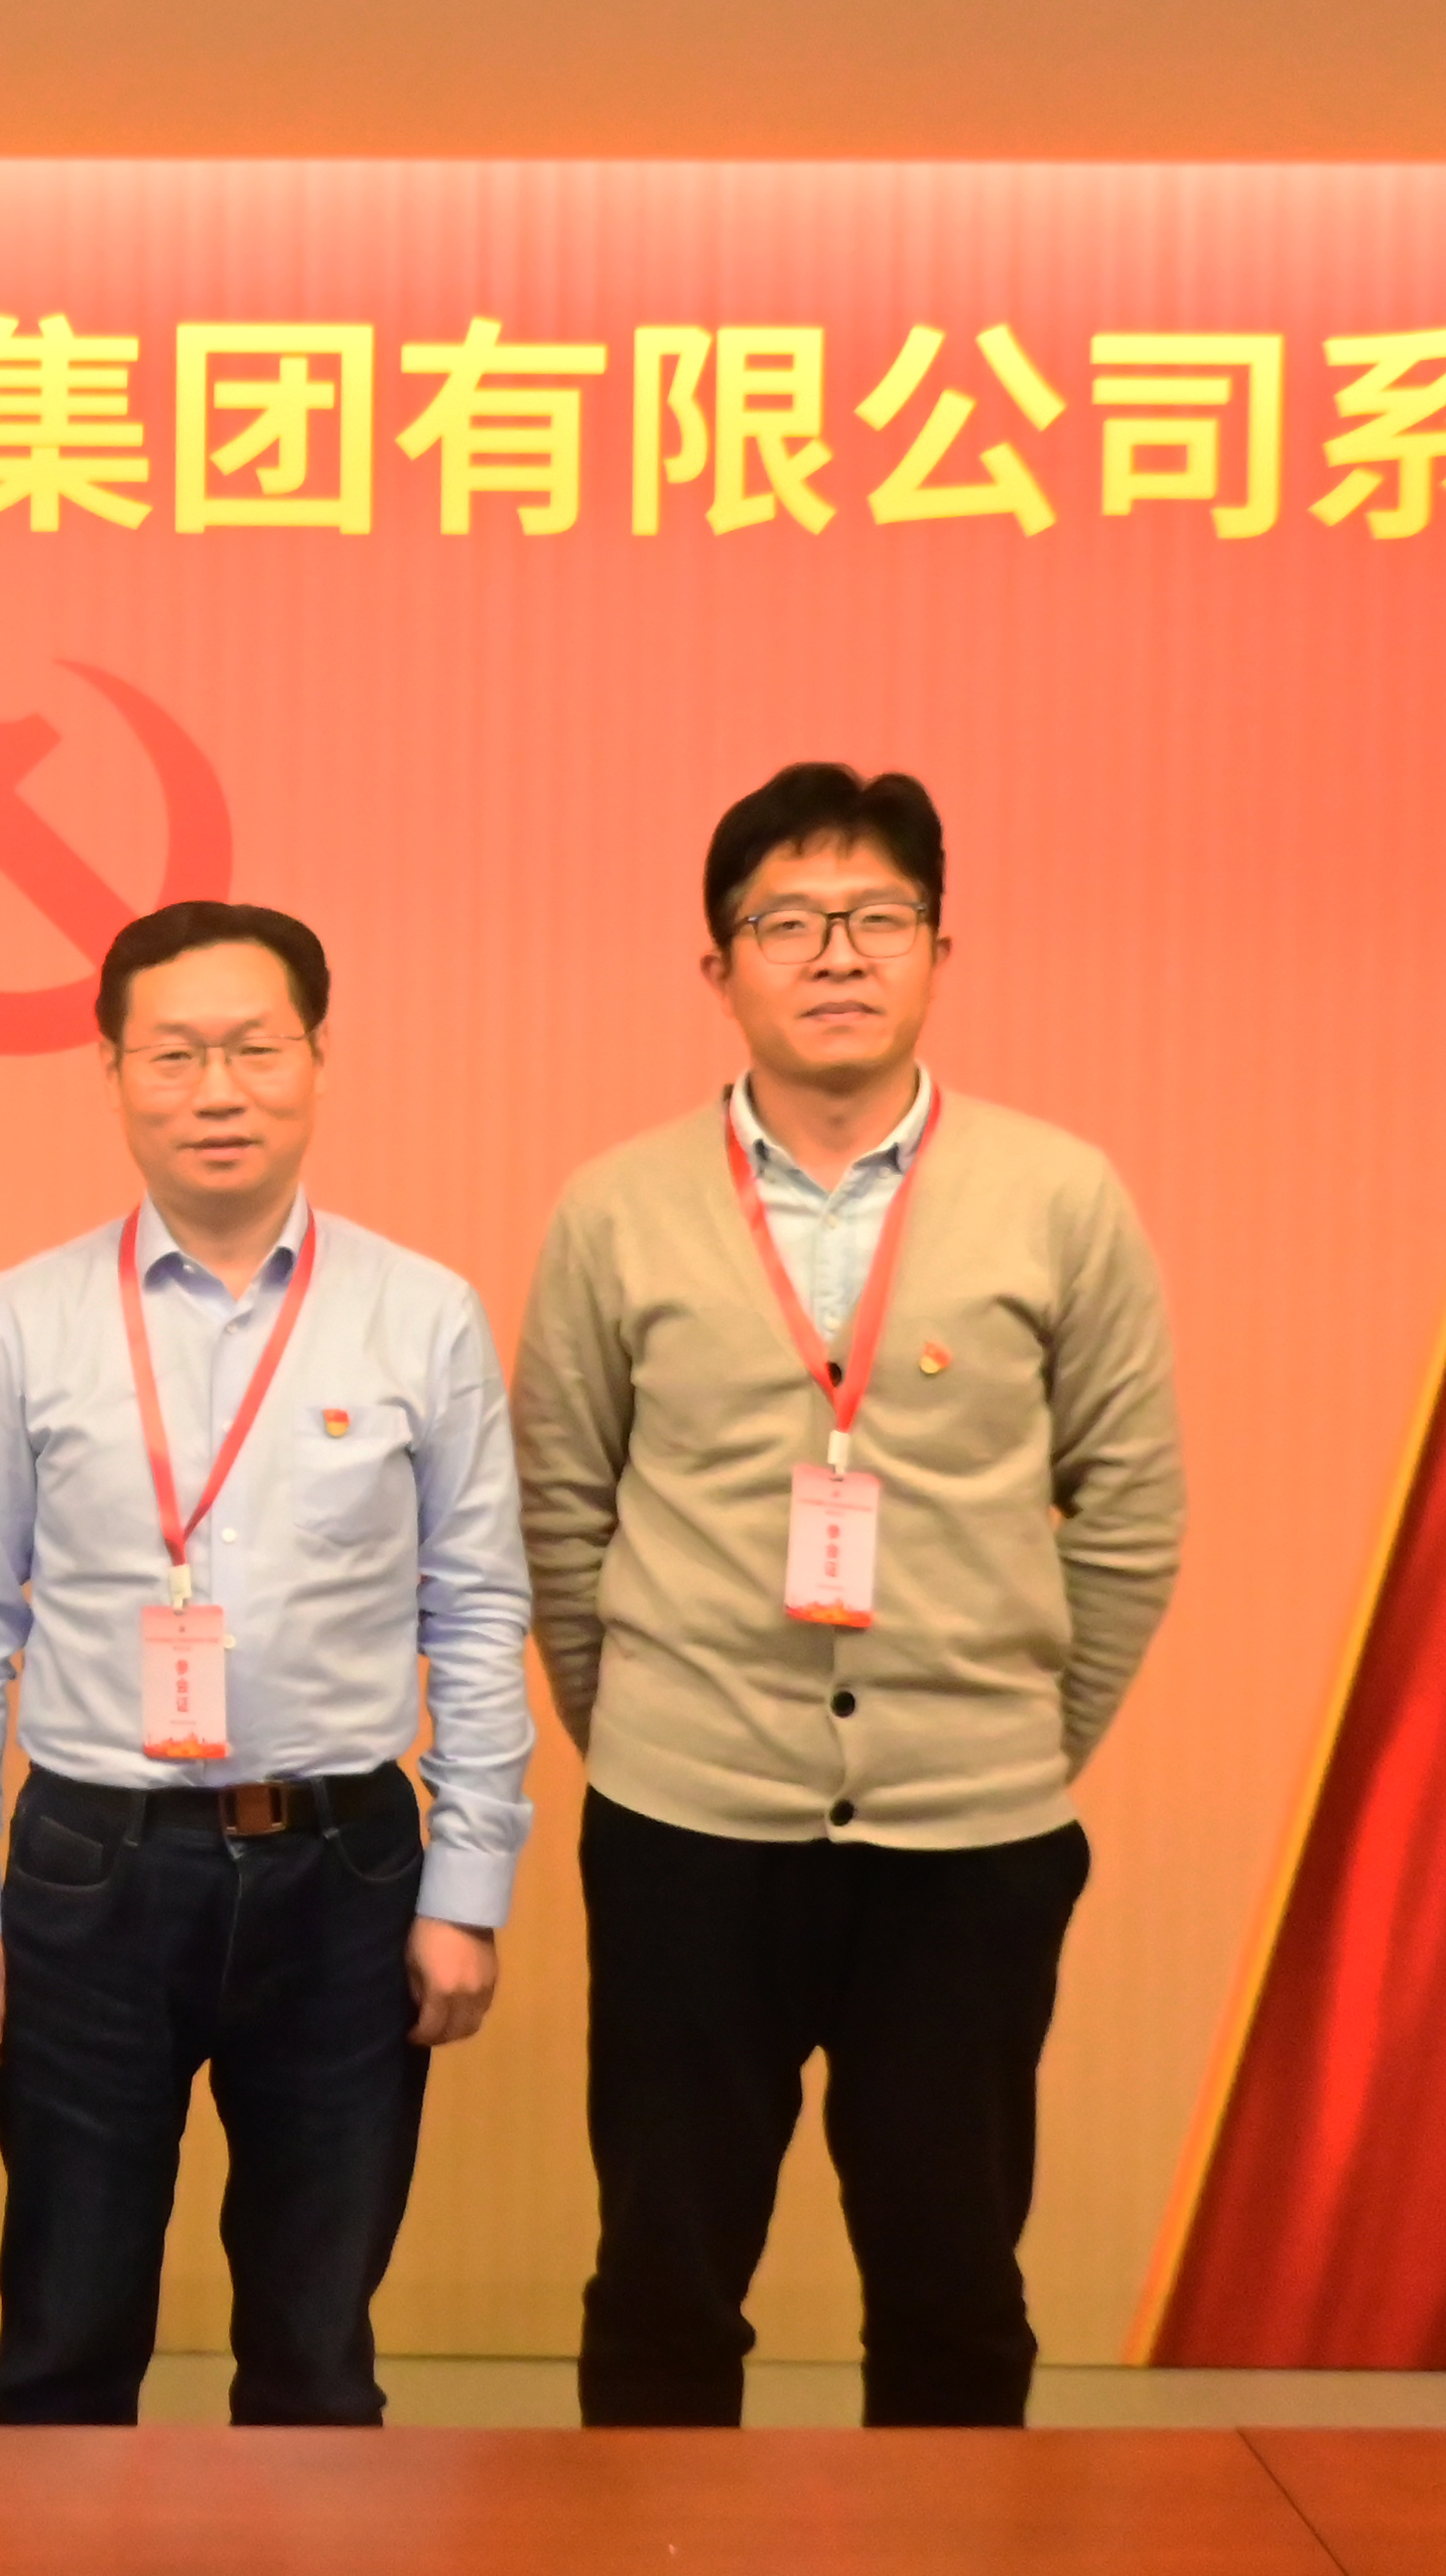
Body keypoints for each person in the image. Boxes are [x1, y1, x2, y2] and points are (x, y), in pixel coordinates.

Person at [513, 762, 1181, 2429]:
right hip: (685, 1830)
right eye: (787, 920)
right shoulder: (614, 1205)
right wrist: (652, 1729)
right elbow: (558, 1511)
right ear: (717, 965)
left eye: (878, 916)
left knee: (952, 2282)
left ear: (940, 950)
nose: (834, 952)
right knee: (664, 2277)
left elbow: (1129, 1510)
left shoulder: (1058, 1193)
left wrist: (1011, 1731)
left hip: (970, 1839)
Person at [0, 899, 534, 2427]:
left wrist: (466, 1887)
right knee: (63, 2334)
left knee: (315, 2349)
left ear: (317, 1060)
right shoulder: (20, 1321)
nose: (216, 1089)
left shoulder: (421, 1314)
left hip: (343, 1869)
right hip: (91, 1870)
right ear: (111, 1072)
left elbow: (475, 1610)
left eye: (254, 1047)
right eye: (174, 1053)